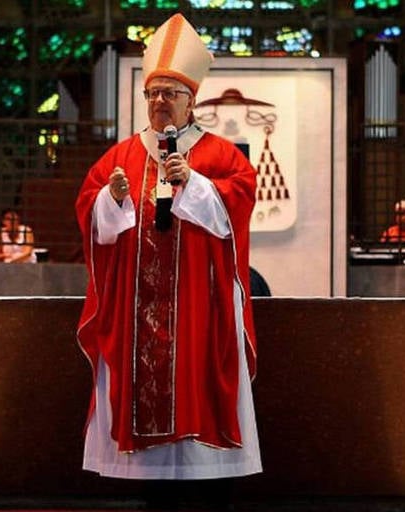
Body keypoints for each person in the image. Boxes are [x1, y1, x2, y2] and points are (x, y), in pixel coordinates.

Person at [75, 13, 261, 481]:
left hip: (199, 306)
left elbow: (238, 202)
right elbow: (90, 215)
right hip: (135, 309)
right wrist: (110, 199)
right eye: (152, 93)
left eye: (170, 93)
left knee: (194, 396)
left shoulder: (221, 155)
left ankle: (202, 482)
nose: (159, 101)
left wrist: (196, 184)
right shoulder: (120, 156)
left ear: (191, 99)